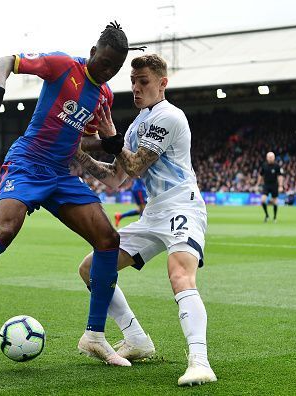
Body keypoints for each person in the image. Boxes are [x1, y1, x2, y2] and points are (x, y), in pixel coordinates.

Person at [0, 22, 146, 367]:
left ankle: (95, 336)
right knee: (5, 230)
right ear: (94, 52)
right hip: (28, 162)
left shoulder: (104, 96)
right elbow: (6, 60)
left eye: (115, 68)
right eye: (105, 62)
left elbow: (84, 138)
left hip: (61, 173)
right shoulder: (64, 66)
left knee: (108, 239)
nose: (108, 71)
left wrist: (110, 141)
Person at [75, 54, 217, 386]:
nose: (137, 89)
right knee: (91, 268)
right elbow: (115, 177)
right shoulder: (139, 123)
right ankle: (136, 339)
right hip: (153, 212)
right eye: (133, 83)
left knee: (179, 274)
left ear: (162, 83)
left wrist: (111, 141)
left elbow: (137, 165)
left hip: (182, 205)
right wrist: (79, 155)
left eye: (144, 82)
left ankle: (200, 362)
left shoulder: (169, 116)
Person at [256, 152, 283, 223]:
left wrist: (280, 186)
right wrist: (257, 184)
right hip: (266, 185)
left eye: (272, 157)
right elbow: (260, 175)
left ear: (274, 158)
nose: (270, 158)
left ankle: (275, 217)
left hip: (274, 185)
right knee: (263, 200)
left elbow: (280, 176)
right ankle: (267, 215)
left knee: (275, 202)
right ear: (267, 158)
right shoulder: (264, 165)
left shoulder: (277, 166)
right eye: (269, 157)